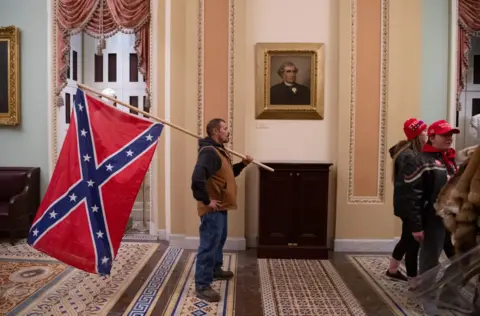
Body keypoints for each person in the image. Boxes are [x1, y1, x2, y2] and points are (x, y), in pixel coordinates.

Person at [403, 120, 470, 315]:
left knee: (461, 258)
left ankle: (450, 291)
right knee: (429, 261)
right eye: (444, 135)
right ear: (432, 137)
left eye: (451, 134)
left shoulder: (448, 160)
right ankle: (427, 297)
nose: (449, 138)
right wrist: (416, 225)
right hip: (432, 219)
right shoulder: (419, 160)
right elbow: (412, 196)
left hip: (453, 220)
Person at [191, 118, 253, 302]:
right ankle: (202, 284)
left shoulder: (219, 151)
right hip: (213, 209)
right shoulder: (209, 152)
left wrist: (243, 164)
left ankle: (216, 269)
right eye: (225, 128)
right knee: (209, 244)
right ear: (216, 132)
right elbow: (197, 178)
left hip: (222, 206)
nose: (228, 131)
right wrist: (205, 200)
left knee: (219, 240)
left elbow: (226, 174)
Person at [386, 118, 428, 290]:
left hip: (406, 204)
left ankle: (393, 269)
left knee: (406, 238)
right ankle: (413, 280)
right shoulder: (409, 156)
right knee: (412, 243)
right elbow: (411, 187)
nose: (427, 134)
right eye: (424, 131)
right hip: (410, 205)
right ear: (417, 135)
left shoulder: (408, 153)